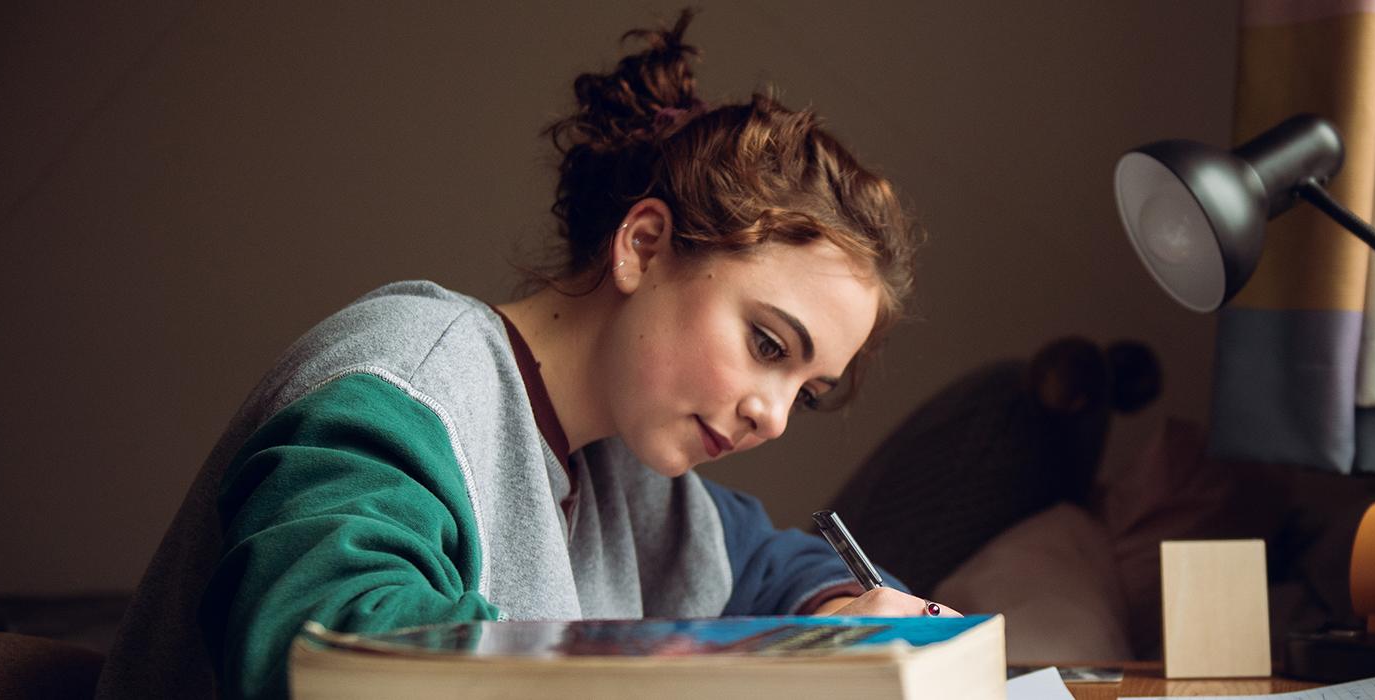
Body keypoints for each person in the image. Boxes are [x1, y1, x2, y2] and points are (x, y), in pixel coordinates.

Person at [94, 11, 951, 699]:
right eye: (768, 344)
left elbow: (772, 566)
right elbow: (320, 649)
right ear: (644, 247)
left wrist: (842, 605)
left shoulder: (633, 478)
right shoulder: (406, 381)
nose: (772, 414)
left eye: (808, 391)